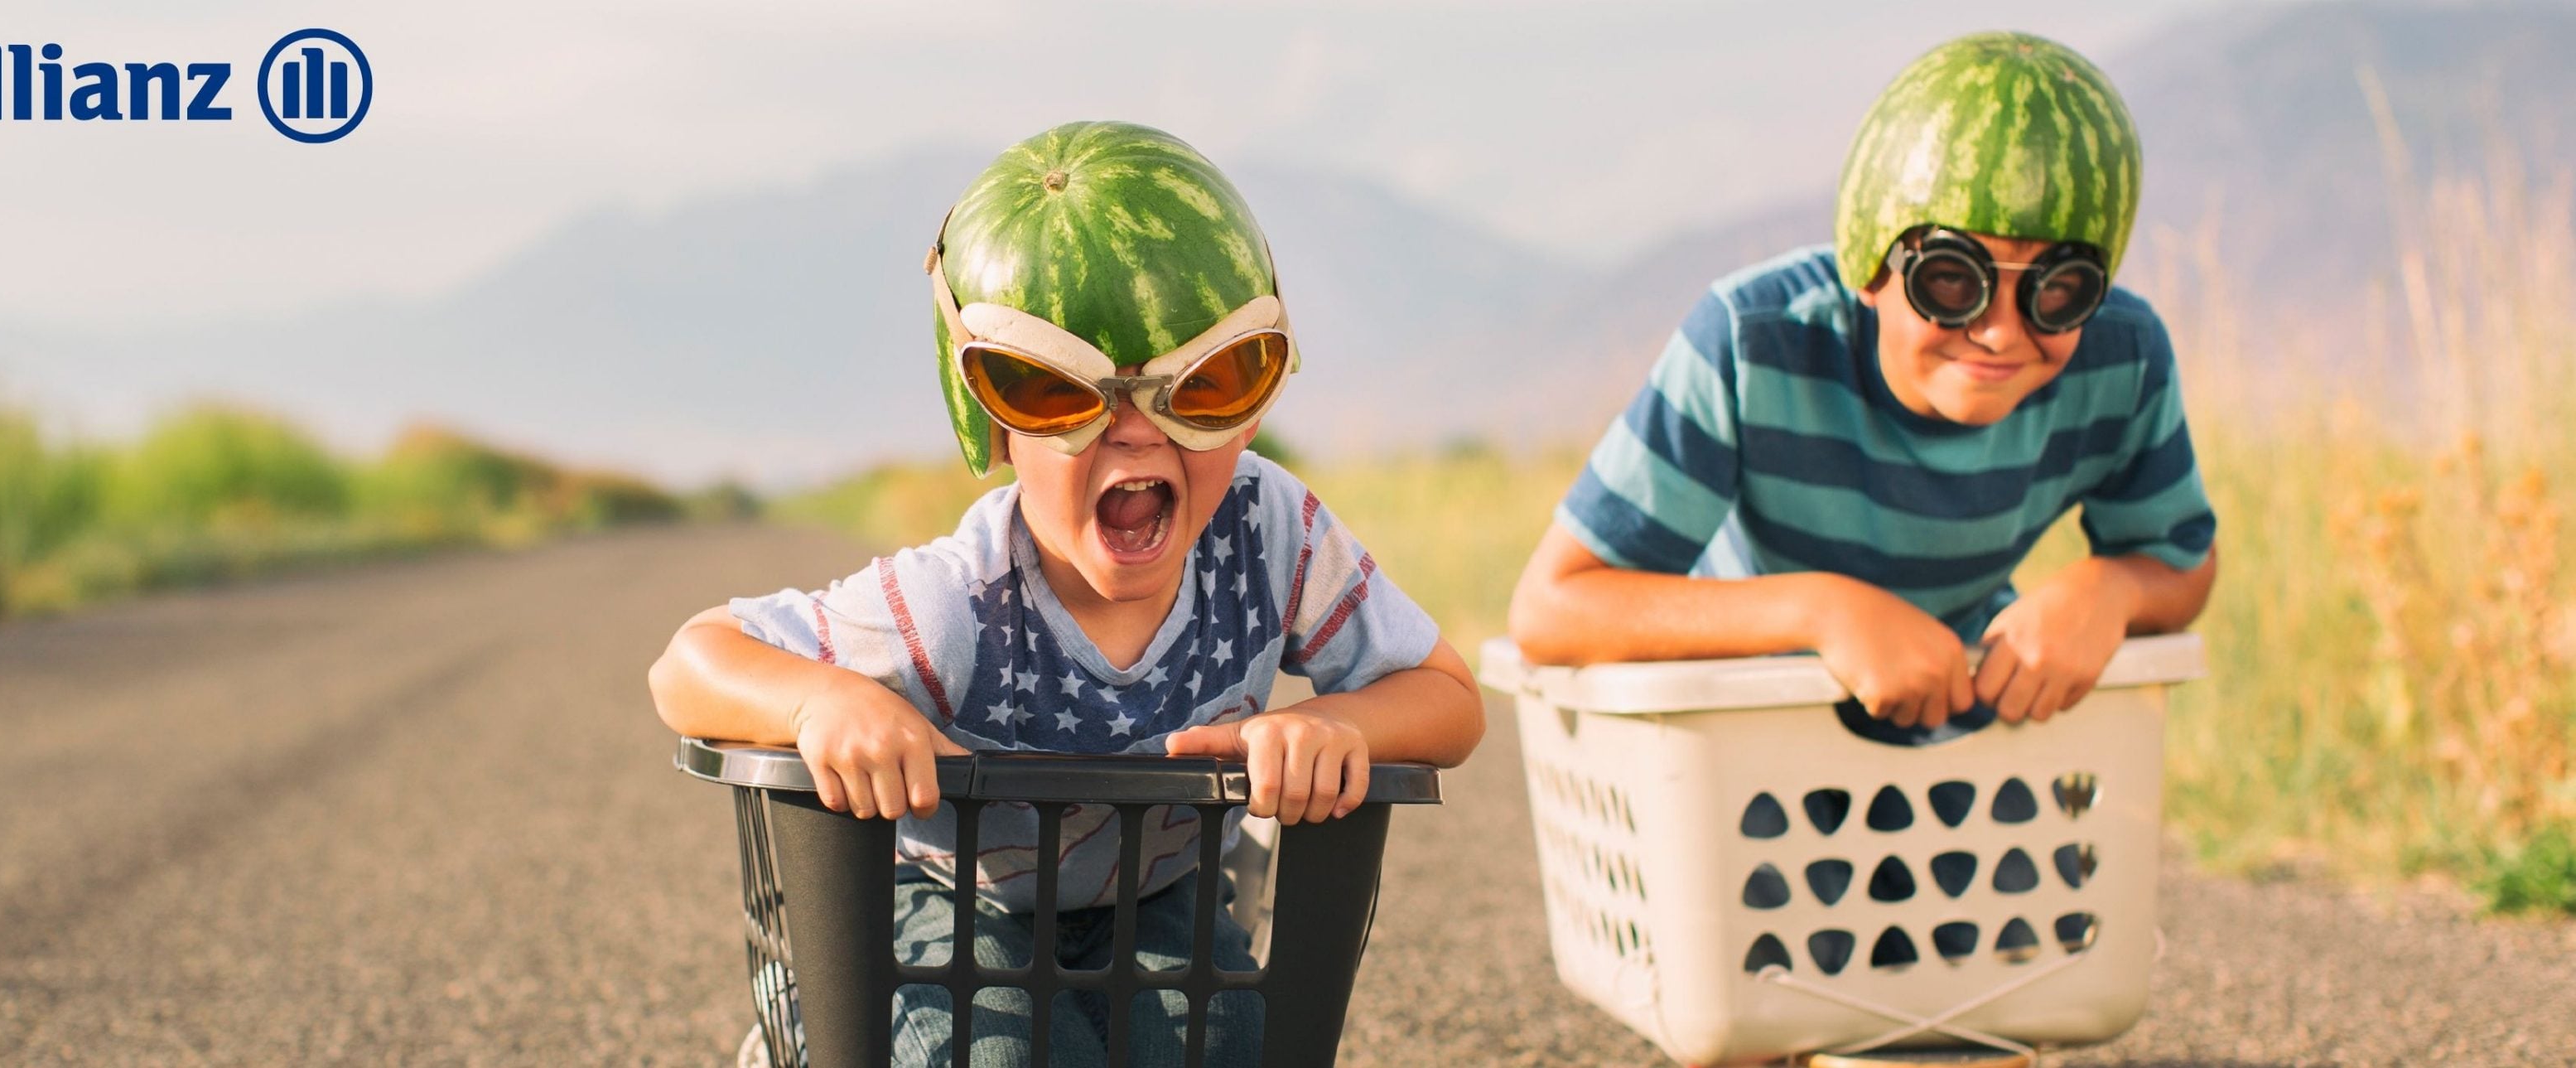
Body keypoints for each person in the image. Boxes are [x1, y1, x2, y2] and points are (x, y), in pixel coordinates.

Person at [649, 119, 1483, 1067]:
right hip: (945, 900)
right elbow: (688, 662)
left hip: (1155, 895)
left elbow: (1452, 698)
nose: (1134, 435)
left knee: (1234, 1046)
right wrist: (820, 699)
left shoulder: (1270, 535)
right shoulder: (953, 603)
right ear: (992, 424)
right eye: (1061, 396)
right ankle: (802, 1027)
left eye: (1200, 386)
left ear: (1254, 406)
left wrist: (1342, 725)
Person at [1509, 31, 2218, 739]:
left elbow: (2181, 563)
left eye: (2059, 288)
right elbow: (1551, 609)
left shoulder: (2120, 356)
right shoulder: (1754, 344)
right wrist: (1823, 611)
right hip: (1742, 735)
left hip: (1964, 746)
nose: (2001, 332)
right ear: (1868, 263)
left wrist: (2110, 591)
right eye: (1951, 278)